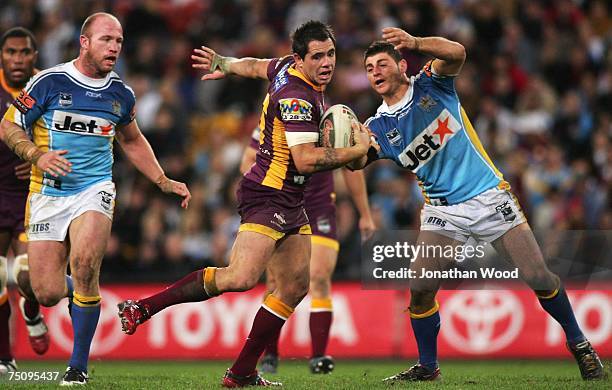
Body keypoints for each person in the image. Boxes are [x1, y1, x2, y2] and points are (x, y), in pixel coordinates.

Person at [117, 20, 370, 387]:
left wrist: (224, 62)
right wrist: (355, 151)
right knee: (240, 278)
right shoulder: (297, 98)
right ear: (300, 59)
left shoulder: (286, 66)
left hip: (290, 198)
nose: (327, 62)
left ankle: (241, 372)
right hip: (268, 194)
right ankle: (142, 307)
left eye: (331, 54)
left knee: (296, 285)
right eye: (318, 56)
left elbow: (254, 65)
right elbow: (305, 160)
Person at [352, 29, 604, 382]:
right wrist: (347, 146)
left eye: (382, 63)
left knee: (538, 277)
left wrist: (418, 42)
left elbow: (457, 52)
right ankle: (428, 367)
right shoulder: (377, 126)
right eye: (368, 67)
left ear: (402, 65)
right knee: (420, 289)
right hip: (443, 212)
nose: (375, 71)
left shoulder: (430, 85)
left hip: (488, 197)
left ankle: (579, 344)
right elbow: (357, 162)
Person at [0, 13, 191, 385]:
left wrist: (162, 179)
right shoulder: (48, 82)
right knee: (48, 290)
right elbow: (8, 124)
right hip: (47, 194)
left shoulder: (120, 93)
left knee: (85, 265)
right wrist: (37, 156)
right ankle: (60, 293)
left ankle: (78, 366)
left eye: (119, 41)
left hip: (95, 188)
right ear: (84, 43)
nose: (115, 47)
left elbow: (132, 139)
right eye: (107, 39)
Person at [240, 127, 375, 374]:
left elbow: (352, 167)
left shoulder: (332, 123)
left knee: (320, 277)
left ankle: (318, 357)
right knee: (274, 282)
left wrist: (365, 213)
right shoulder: (271, 123)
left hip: (319, 210)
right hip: (283, 206)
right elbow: (247, 161)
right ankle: (270, 354)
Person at [0, 26, 52, 374]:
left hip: (32, 196)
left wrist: (37, 158)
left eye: (25, 52)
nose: (18, 59)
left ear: (35, 56)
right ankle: (5, 358)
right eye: (11, 52)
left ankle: (31, 310)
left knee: (27, 276)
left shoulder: (48, 87)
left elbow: (67, 135)